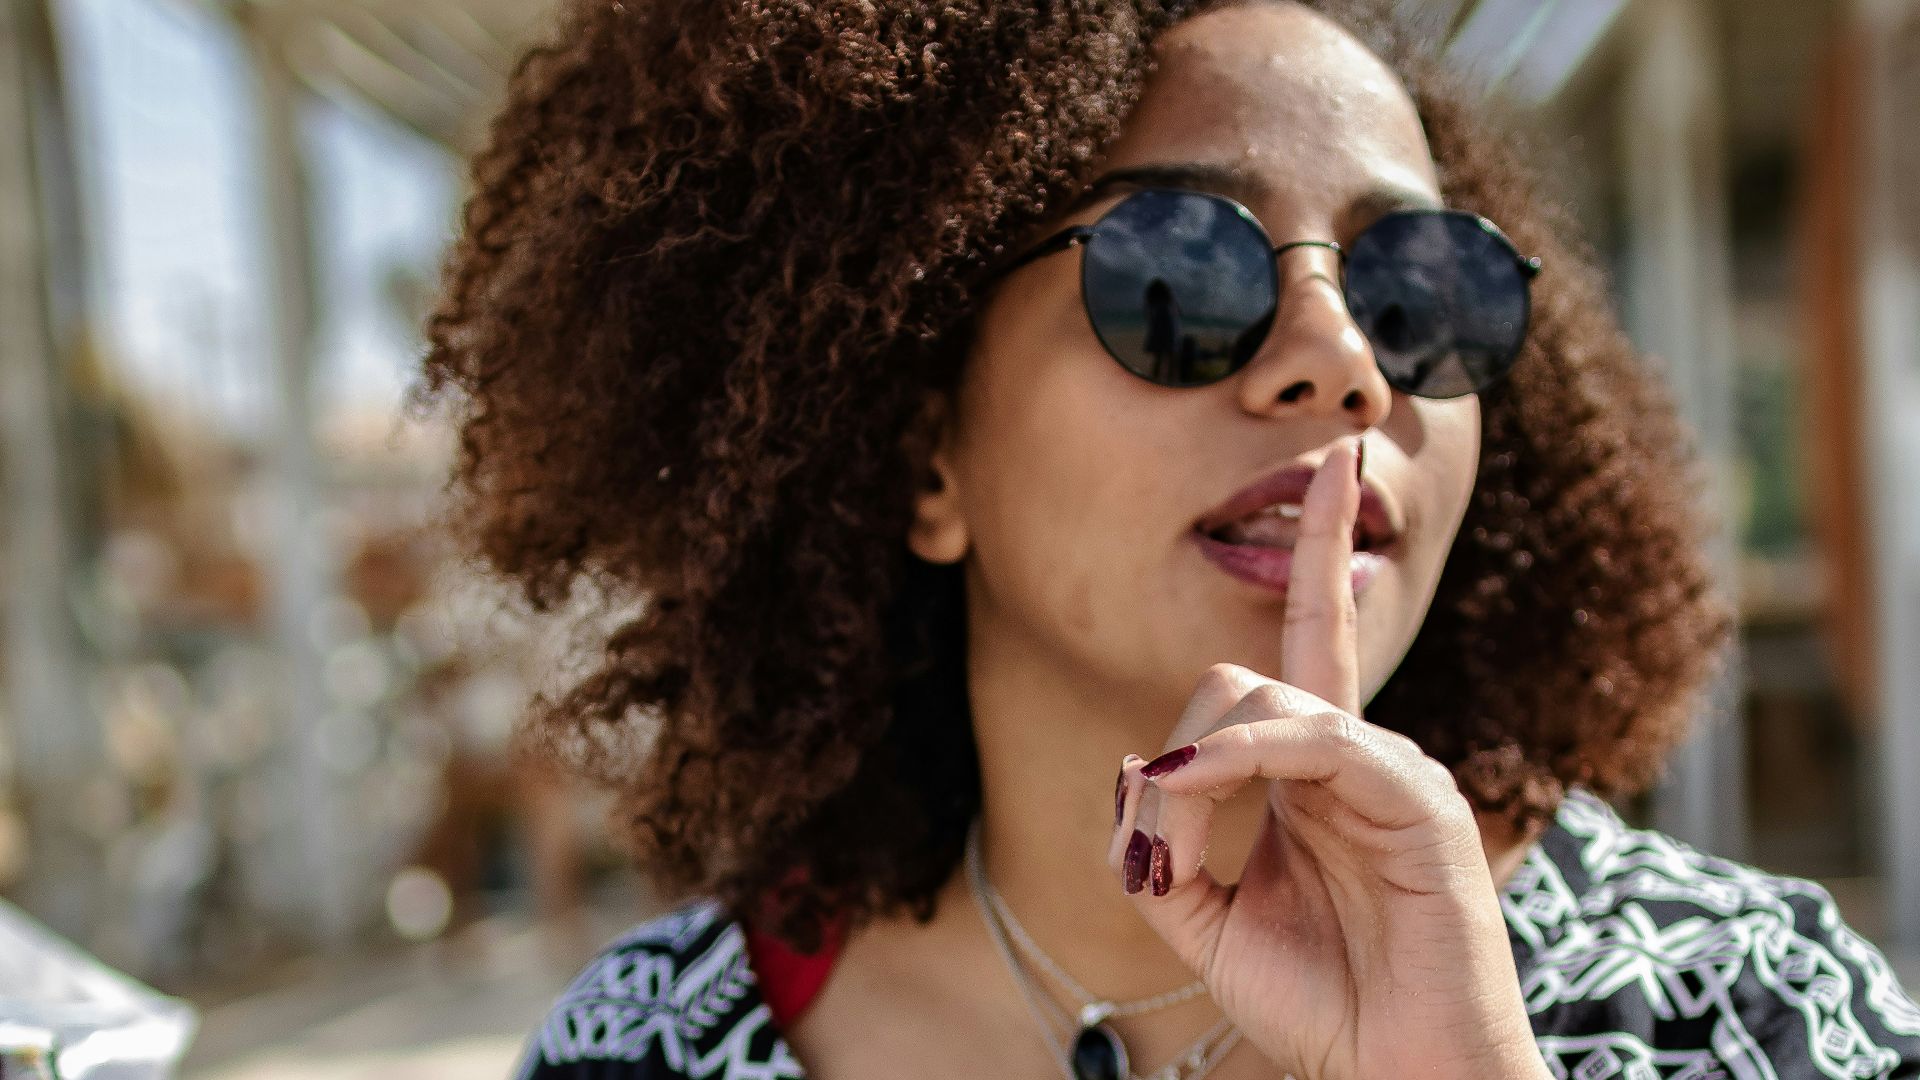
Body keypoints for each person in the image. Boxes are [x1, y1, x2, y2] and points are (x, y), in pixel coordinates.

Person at [416, 0, 1920, 1077]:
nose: (1344, 361)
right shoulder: (652, 1048)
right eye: (1183, 274)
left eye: (1422, 290)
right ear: (916, 456)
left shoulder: (1752, 1014)